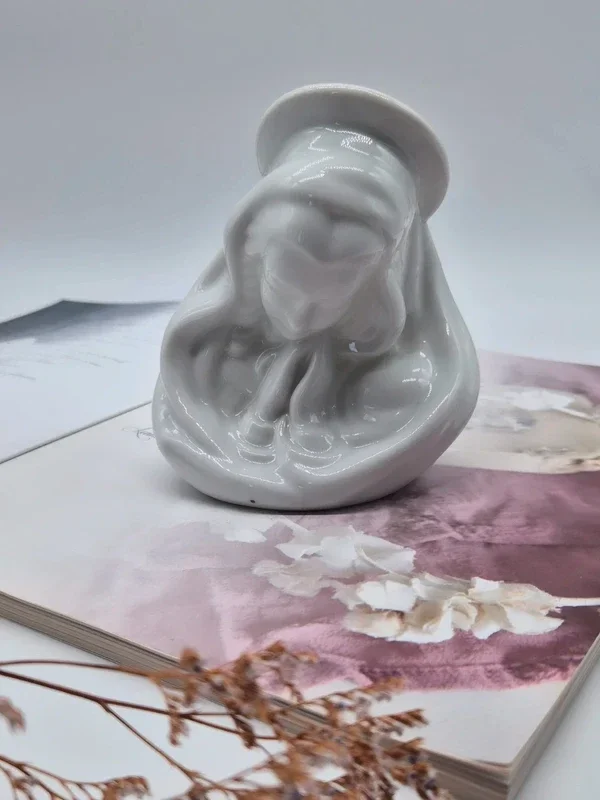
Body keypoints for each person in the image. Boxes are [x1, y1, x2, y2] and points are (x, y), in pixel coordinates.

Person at [153, 85, 479, 509]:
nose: (299, 318)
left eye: (330, 300)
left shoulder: (411, 383)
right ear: (251, 262)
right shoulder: (205, 354)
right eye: (282, 288)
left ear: (374, 287)